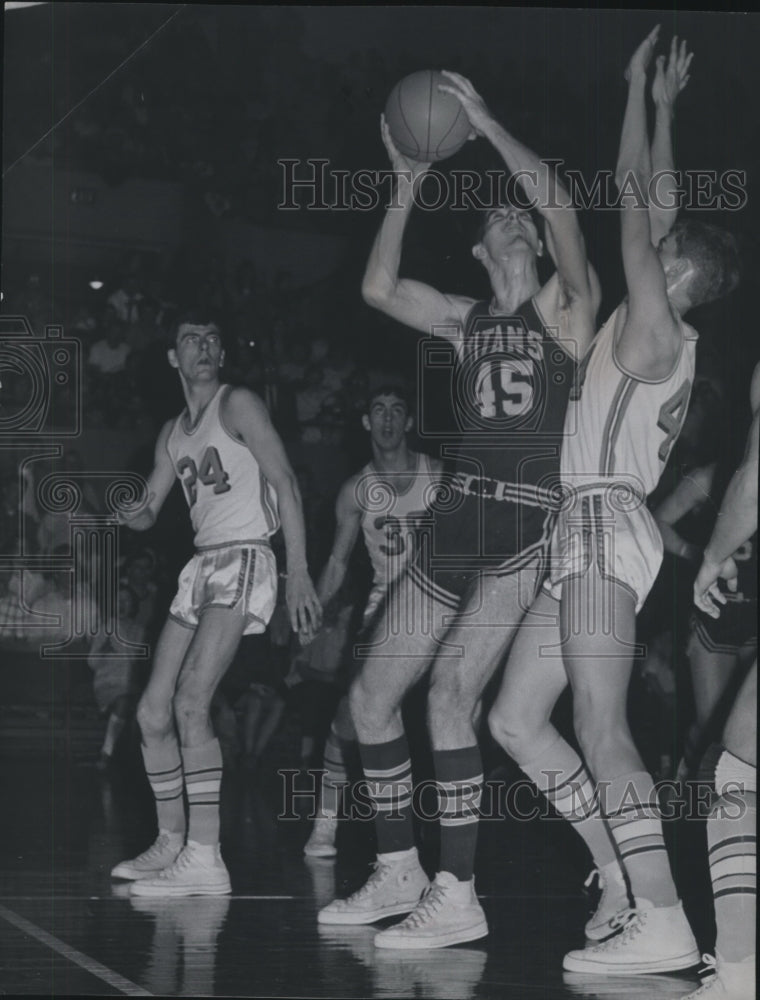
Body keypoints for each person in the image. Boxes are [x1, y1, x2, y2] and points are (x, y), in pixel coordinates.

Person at [318, 69, 600, 949]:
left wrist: (484, 119)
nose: (515, 220)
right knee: (369, 700)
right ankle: (398, 867)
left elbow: (562, 211)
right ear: (480, 251)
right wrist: (405, 187)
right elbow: (375, 287)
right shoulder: (464, 318)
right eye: (498, 220)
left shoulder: (566, 307)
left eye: (519, 219)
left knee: (449, 696)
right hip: (453, 521)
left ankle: (459, 890)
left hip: (521, 526)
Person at [488, 29, 741, 976]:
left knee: (601, 725)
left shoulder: (654, 326)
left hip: (604, 519)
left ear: (674, 275)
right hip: (586, 524)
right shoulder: (669, 323)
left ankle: (665, 915)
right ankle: (619, 878)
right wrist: (661, 104)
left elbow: (637, 203)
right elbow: (655, 200)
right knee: (517, 720)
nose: (654, 238)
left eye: (663, 248)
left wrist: (631, 94)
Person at [110, 308, 321, 897]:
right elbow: (149, 509)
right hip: (201, 565)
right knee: (153, 711)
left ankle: (206, 856)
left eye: (212, 339)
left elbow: (286, 482)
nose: (202, 346)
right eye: (190, 340)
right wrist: (128, 510)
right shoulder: (173, 432)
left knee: (191, 701)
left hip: (247, 555)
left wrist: (297, 571)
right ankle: (171, 843)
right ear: (174, 357)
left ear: (221, 355)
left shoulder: (239, 404)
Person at [303, 385, 442, 857]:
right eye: (377, 410)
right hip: (383, 614)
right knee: (349, 718)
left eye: (396, 409)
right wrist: (312, 612)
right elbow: (339, 563)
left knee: (452, 717)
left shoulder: (439, 477)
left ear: (408, 422)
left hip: (439, 612)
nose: (386, 419)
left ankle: (444, 834)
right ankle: (325, 823)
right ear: (366, 422)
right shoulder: (355, 490)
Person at [687, 362, 758, 999]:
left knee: (737, 768)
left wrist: (709, 558)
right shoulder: (700, 480)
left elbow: (756, 476)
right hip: (721, 630)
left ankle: (737, 974)